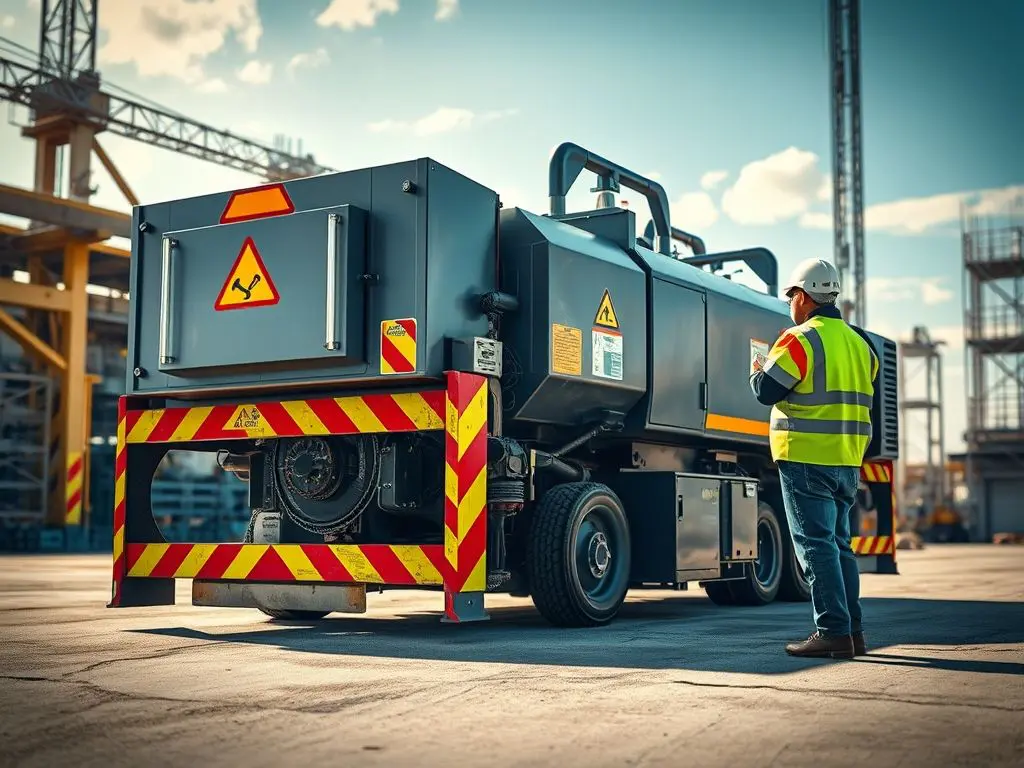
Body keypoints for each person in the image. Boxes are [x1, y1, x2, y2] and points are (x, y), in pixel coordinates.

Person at [749, 258, 878, 659]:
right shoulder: (862, 344)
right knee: (840, 546)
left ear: (802, 297)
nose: (790, 304)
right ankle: (852, 631)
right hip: (846, 460)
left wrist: (758, 367)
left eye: (791, 296)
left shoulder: (799, 340)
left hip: (806, 458)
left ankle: (832, 631)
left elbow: (767, 391)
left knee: (815, 546)